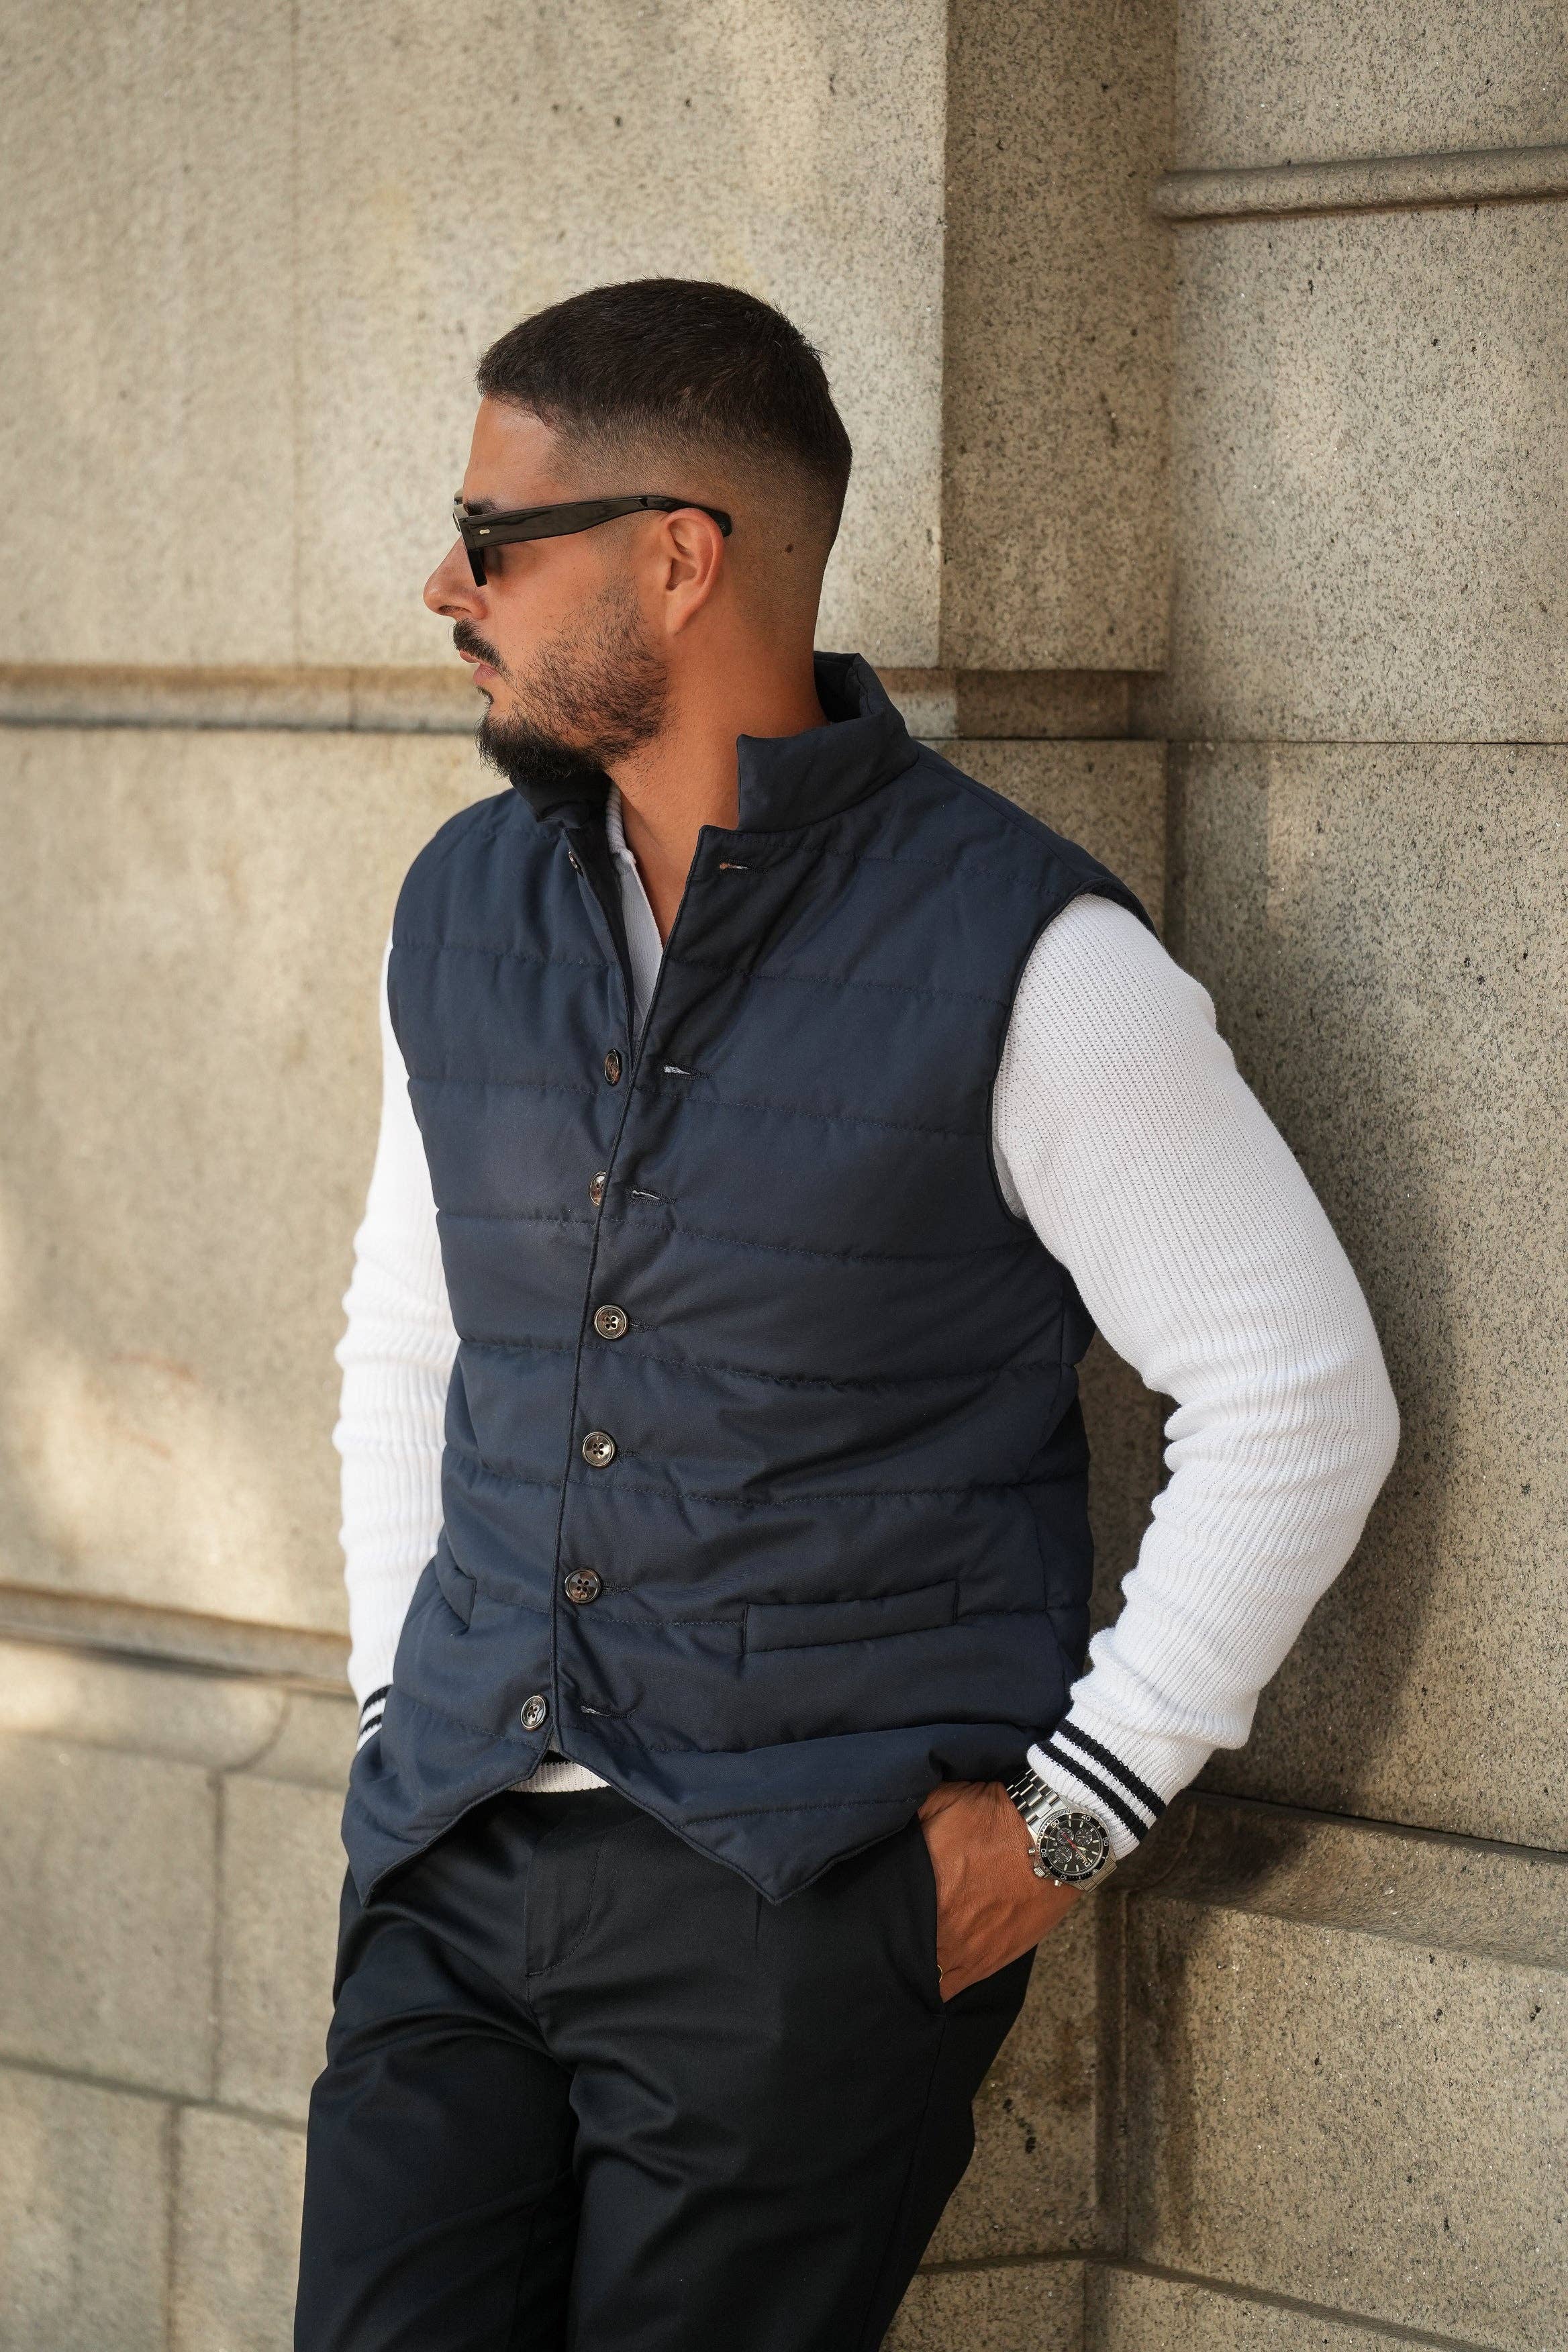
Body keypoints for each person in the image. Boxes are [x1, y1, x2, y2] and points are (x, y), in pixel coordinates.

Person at [294, 277, 1398, 2351]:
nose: (449, 586)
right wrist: (388, 1723)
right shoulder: (459, 910)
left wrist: (1066, 1825)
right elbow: (414, 1341)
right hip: (451, 1870)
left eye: (494, 538)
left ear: (677, 558)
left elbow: (1300, 1394)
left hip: (802, 1917)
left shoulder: (1032, 956)